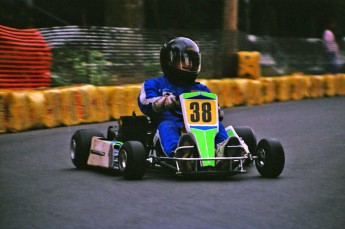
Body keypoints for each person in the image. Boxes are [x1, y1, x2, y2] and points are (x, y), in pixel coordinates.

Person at [137, 37, 236, 159]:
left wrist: (217, 111)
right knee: (167, 126)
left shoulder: (201, 89)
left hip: (199, 129)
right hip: (167, 126)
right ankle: (180, 153)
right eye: (184, 61)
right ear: (170, 61)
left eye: (193, 62)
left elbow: (218, 113)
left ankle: (225, 150)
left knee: (217, 126)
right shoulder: (154, 84)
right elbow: (145, 103)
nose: (190, 66)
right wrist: (164, 102)